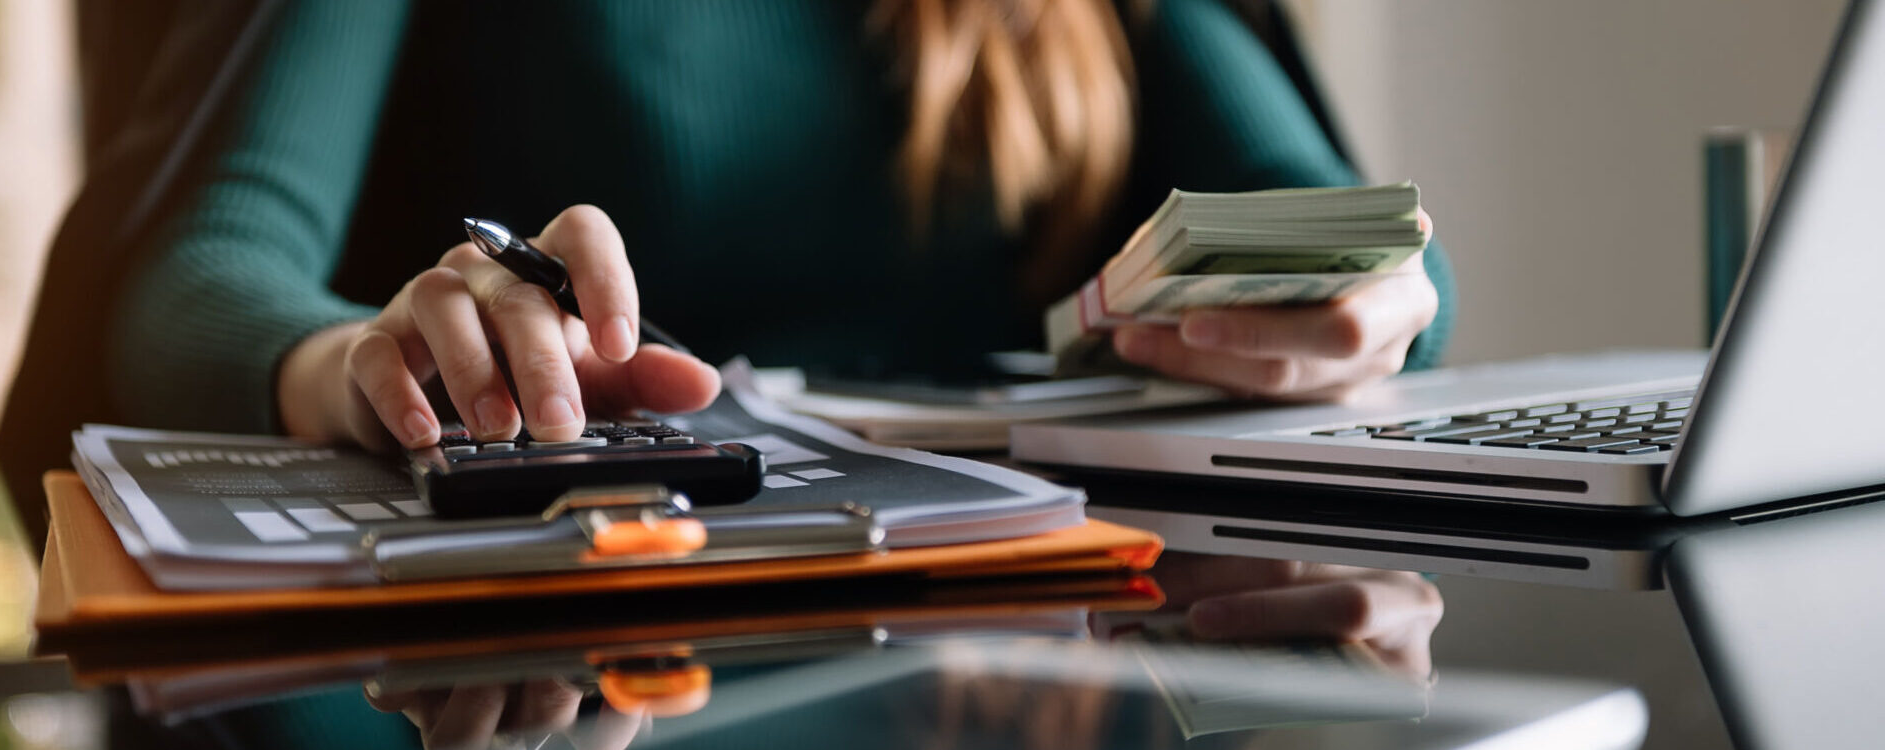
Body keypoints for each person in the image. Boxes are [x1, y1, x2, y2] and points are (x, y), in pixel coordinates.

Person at [103, 0, 1453, 454]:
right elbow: (196, 266)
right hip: (608, 634)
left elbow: (1354, 228)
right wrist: (359, 363)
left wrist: (1375, 296)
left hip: (1019, 654)